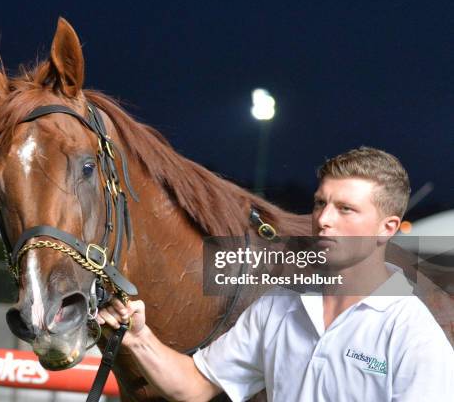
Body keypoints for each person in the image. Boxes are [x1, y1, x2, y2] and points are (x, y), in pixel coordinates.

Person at [97, 146, 454, 401]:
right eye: (320, 203)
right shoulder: (278, 307)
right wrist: (138, 336)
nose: (324, 220)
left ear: (387, 228)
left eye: (346, 209)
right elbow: (193, 386)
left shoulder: (413, 335)